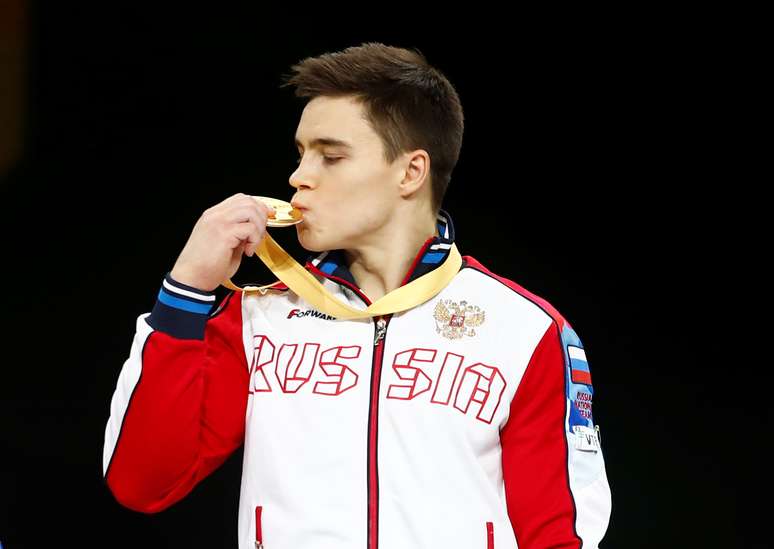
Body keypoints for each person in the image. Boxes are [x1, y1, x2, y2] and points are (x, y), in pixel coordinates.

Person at [102, 42, 612, 549]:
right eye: (301, 154)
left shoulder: (522, 330)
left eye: (331, 156)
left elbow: (560, 534)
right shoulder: (259, 316)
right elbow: (142, 484)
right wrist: (186, 290)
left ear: (411, 172)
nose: (299, 176)